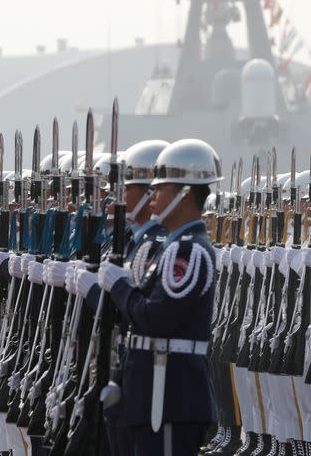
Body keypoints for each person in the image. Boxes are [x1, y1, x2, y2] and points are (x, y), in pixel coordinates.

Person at [90, 138, 223, 455]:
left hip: (169, 397)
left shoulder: (188, 251)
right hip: (151, 393)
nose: (153, 198)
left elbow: (156, 319)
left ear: (185, 195)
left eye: (160, 190)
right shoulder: (171, 248)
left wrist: (119, 286)